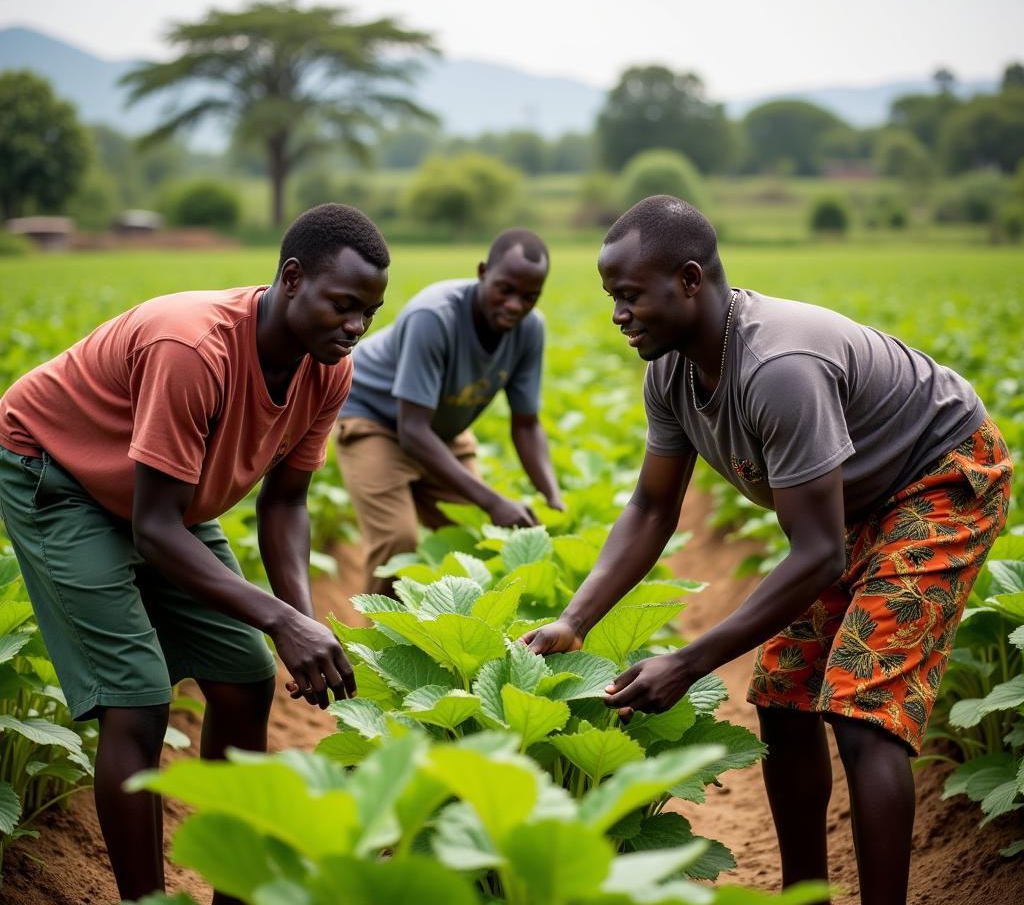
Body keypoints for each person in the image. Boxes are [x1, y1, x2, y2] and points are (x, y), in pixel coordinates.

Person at [522, 196, 1012, 905]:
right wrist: (576, 619)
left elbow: (816, 556)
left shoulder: (778, 367)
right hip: (851, 502)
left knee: (861, 708)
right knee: (784, 692)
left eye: (629, 296)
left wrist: (690, 662)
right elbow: (653, 506)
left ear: (689, 280)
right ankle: (802, 896)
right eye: (611, 298)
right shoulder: (672, 372)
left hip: (940, 476)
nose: (618, 314)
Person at [0, 203, 390, 904]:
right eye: (344, 304)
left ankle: (233, 890)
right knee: (139, 697)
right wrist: (280, 620)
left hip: (165, 498)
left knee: (243, 676)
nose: (356, 325)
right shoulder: (193, 348)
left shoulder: (329, 369)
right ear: (293, 279)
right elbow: (153, 529)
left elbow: (285, 503)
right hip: (57, 471)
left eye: (369, 311)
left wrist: (300, 621)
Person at [336, 228, 564, 594]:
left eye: (529, 297)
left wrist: (553, 495)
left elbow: (526, 424)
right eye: (505, 289)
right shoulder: (434, 316)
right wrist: (493, 500)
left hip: (440, 429)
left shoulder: (529, 331)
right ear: (483, 272)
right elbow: (412, 431)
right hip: (374, 416)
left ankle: (449, 631)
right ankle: (374, 647)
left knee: (473, 538)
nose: (515, 305)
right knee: (398, 542)